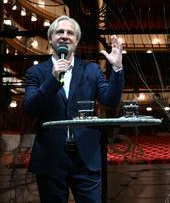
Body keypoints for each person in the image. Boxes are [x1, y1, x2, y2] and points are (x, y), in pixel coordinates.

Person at [23, 15, 124, 203]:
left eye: (70, 33)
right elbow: (30, 108)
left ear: (76, 41)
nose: (64, 36)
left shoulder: (92, 70)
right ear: (51, 39)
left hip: (86, 157)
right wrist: (53, 80)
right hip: (51, 157)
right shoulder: (36, 73)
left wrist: (117, 69)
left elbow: (109, 100)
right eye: (59, 32)